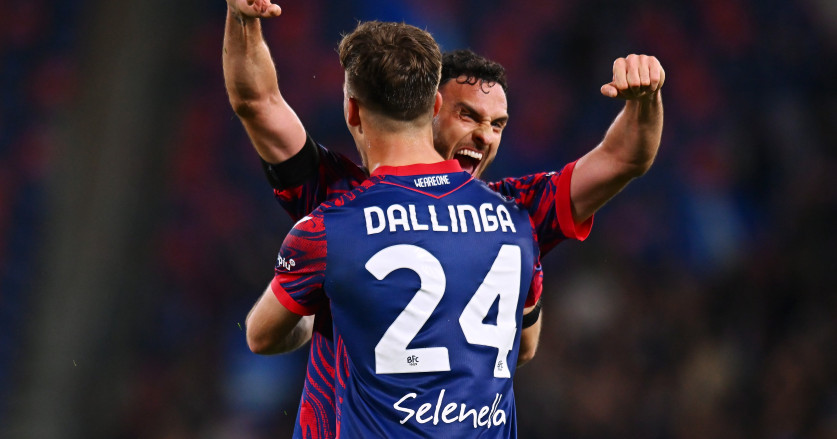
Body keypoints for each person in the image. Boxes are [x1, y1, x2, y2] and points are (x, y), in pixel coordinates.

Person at [223, 0, 665, 437]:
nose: (483, 136)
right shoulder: (513, 218)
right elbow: (259, 103)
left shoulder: (339, 215)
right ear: (432, 108)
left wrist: (646, 100)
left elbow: (624, 158)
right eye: (467, 115)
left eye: (497, 124)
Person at [246, 19, 543, 437]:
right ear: (435, 106)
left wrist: (323, 300)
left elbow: (261, 337)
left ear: (352, 110)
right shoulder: (516, 221)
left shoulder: (330, 227)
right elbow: (523, 346)